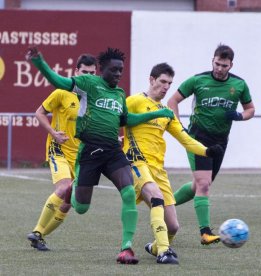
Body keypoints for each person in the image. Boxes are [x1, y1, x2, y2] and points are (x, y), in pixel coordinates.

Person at [26, 46, 174, 264]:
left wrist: (158, 112)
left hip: (113, 151)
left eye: (121, 70)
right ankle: (72, 194)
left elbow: (125, 121)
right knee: (82, 207)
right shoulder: (89, 83)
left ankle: (126, 248)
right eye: (114, 70)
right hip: (90, 151)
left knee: (128, 193)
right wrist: (39, 62)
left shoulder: (119, 93)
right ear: (102, 69)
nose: (118, 74)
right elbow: (60, 82)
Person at [123, 63, 223, 264]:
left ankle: (154, 247)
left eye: (169, 83)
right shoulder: (134, 101)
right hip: (136, 163)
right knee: (156, 198)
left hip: (158, 170)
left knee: (173, 226)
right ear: (151, 80)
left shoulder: (167, 112)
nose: (166, 87)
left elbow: (185, 138)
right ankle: (164, 252)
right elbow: (119, 120)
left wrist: (206, 150)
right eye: (162, 82)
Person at [167, 44, 255, 244]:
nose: (219, 68)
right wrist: (180, 128)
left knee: (197, 186)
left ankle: (164, 204)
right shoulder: (198, 80)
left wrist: (240, 115)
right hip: (197, 138)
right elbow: (172, 101)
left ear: (231, 65)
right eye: (217, 64)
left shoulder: (239, 85)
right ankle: (205, 232)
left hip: (221, 141)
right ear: (212, 61)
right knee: (204, 184)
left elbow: (251, 109)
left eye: (224, 65)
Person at [27, 54, 97, 251]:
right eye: (85, 72)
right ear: (76, 72)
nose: (89, 76)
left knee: (69, 202)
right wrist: (53, 133)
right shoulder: (62, 92)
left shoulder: (95, 98)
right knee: (64, 187)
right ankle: (37, 231)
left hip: (81, 156)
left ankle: (39, 234)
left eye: (92, 73)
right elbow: (39, 112)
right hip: (59, 149)